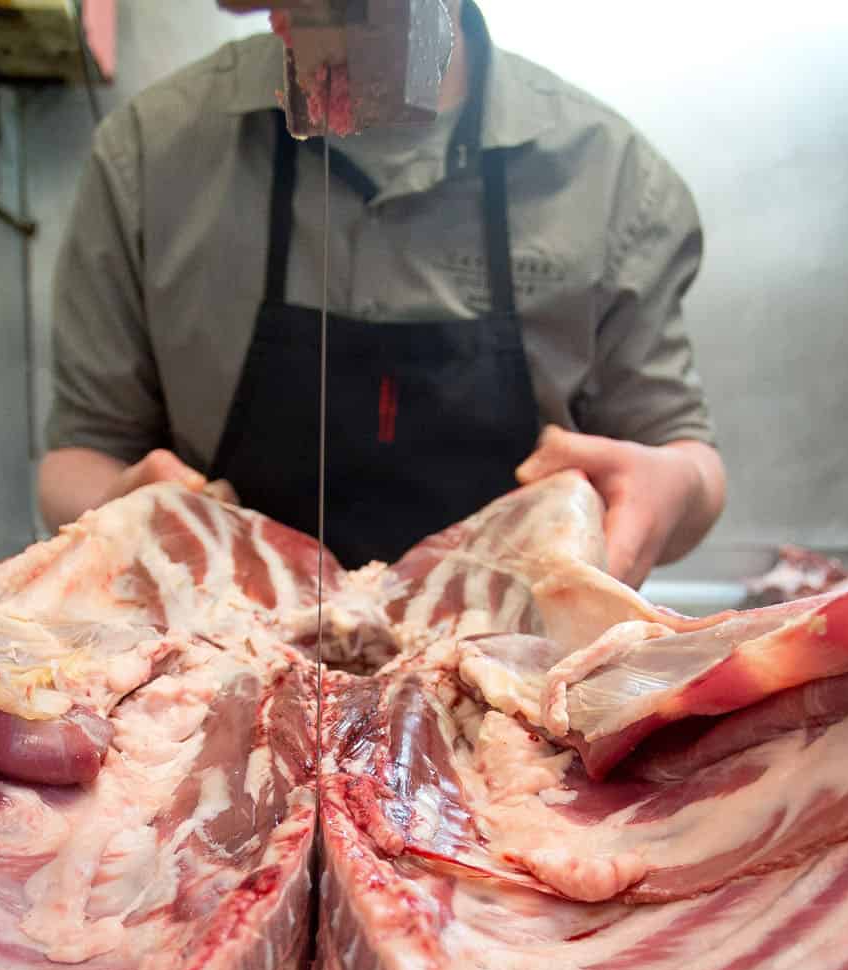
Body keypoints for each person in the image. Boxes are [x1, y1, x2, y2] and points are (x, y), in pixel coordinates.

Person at [37, 0, 726, 583]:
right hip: (215, 683)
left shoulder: (607, 177)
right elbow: (81, 452)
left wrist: (679, 486)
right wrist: (119, 512)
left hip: (505, 695)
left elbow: (681, 455)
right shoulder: (153, 155)